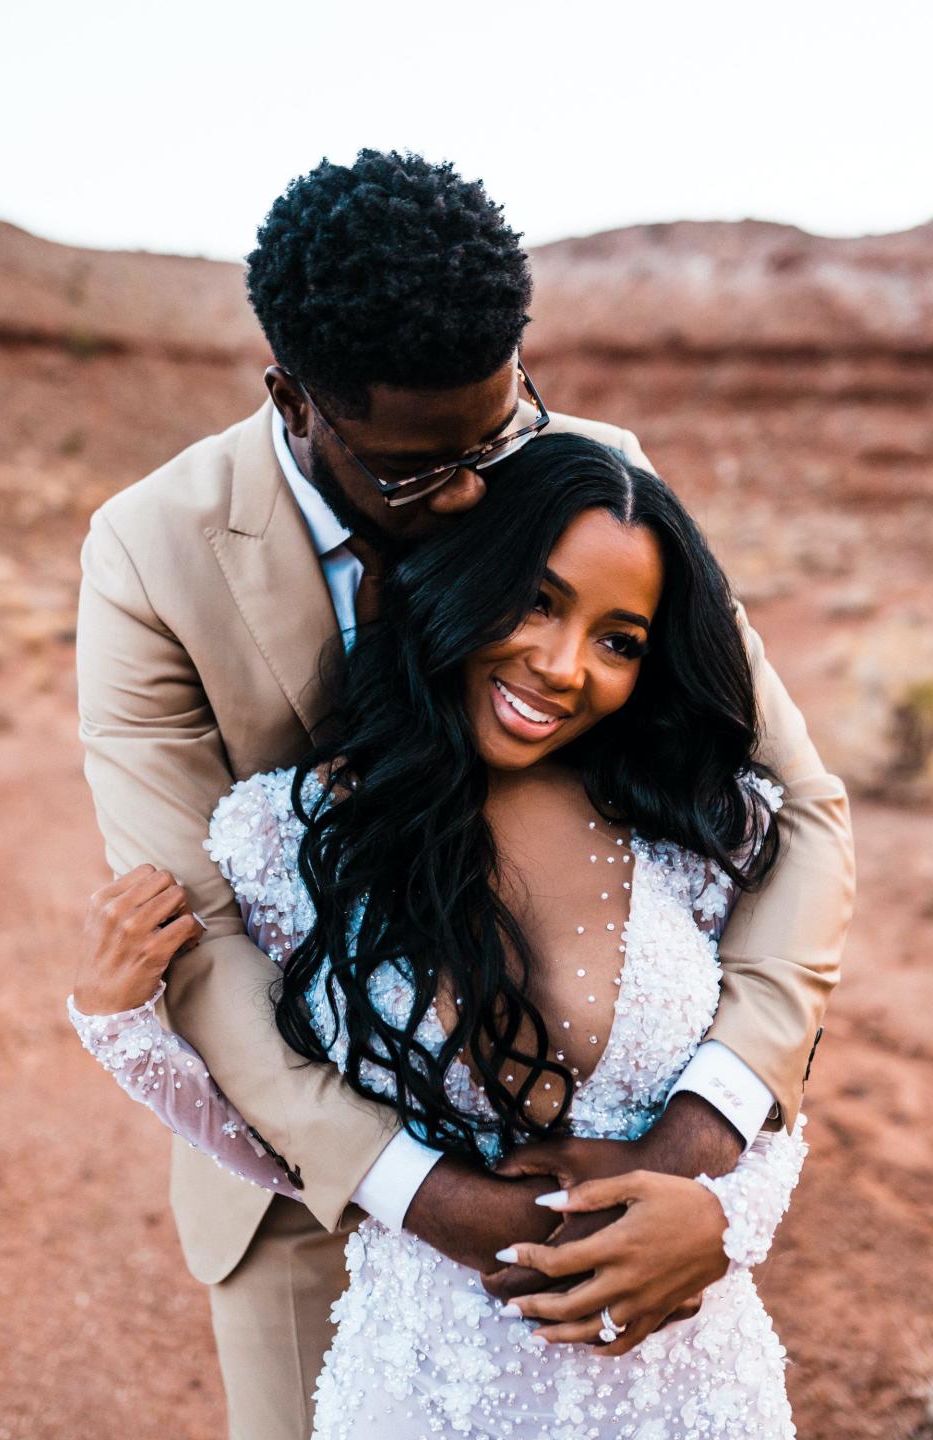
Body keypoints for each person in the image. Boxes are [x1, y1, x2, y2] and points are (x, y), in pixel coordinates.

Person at [74, 151, 853, 1438]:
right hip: (311, 1189)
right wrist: (420, 1190)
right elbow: (201, 926)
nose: (487, 490)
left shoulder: (590, 472)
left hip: (624, 1167)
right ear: (297, 400)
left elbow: (800, 807)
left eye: (502, 427)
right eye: (424, 467)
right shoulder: (150, 552)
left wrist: (699, 1147)